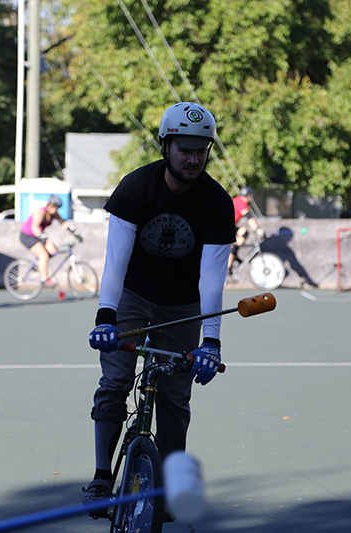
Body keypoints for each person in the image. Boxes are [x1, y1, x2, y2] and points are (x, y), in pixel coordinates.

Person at [82, 102, 235, 515]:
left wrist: (211, 342)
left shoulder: (217, 203)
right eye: (184, 149)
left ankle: (166, 488)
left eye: (201, 150)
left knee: (175, 396)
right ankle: (101, 479)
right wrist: (106, 317)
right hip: (132, 294)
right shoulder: (137, 187)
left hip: (183, 304)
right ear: (165, 146)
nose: (193, 158)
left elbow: (212, 278)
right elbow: (115, 260)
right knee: (115, 381)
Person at [19, 195, 71, 288]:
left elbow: (62, 222)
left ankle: (39, 264)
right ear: (49, 205)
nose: (56, 210)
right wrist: (42, 237)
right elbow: (34, 227)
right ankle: (44, 279)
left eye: (57, 208)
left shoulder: (53, 213)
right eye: (54, 207)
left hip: (38, 236)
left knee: (54, 251)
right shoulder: (40, 212)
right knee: (44, 255)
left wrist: (74, 232)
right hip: (28, 236)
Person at [228, 186, 264, 272]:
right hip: (223, 227)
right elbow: (249, 218)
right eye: (251, 196)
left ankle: (234, 254)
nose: (252, 199)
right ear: (248, 196)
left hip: (228, 226)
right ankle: (227, 268)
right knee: (233, 244)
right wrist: (257, 229)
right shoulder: (241, 202)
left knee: (243, 232)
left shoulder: (236, 200)